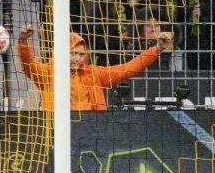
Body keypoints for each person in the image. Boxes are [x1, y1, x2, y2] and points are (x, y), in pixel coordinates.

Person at [15, 23, 171, 111]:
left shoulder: (94, 73)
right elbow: (29, 65)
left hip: (92, 129)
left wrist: (156, 49)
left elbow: (127, 69)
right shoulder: (48, 73)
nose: (78, 58)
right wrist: (23, 42)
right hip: (57, 130)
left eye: (81, 54)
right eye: (73, 53)